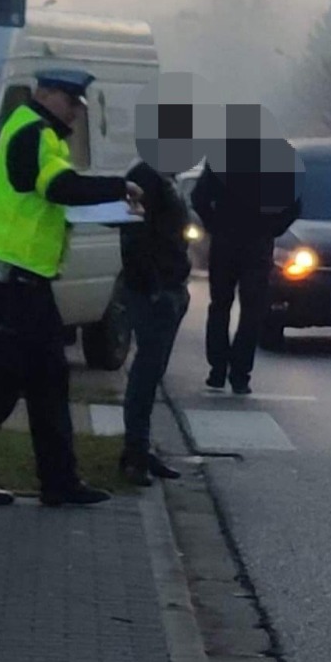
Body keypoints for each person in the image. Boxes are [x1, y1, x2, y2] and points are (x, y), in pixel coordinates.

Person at [0, 69, 143, 507]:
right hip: (9, 284)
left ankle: (57, 481)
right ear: (44, 94)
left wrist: (103, 210)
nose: (75, 110)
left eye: (78, 104)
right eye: (69, 100)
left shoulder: (41, 135)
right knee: (0, 387)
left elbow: (47, 203)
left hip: (23, 284)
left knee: (46, 382)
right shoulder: (33, 133)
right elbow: (59, 188)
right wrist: (117, 188)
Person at [192, 142, 300, 395]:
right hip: (257, 246)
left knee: (219, 306)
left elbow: (198, 198)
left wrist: (214, 224)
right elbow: (293, 205)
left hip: (224, 243)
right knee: (252, 311)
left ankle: (217, 370)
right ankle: (240, 375)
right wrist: (272, 229)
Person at [117, 144, 193, 485]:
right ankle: (135, 455)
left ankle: (141, 449)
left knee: (153, 372)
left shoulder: (166, 177)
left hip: (170, 285)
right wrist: (154, 287)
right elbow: (134, 237)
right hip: (153, 290)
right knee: (146, 373)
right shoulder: (144, 176)